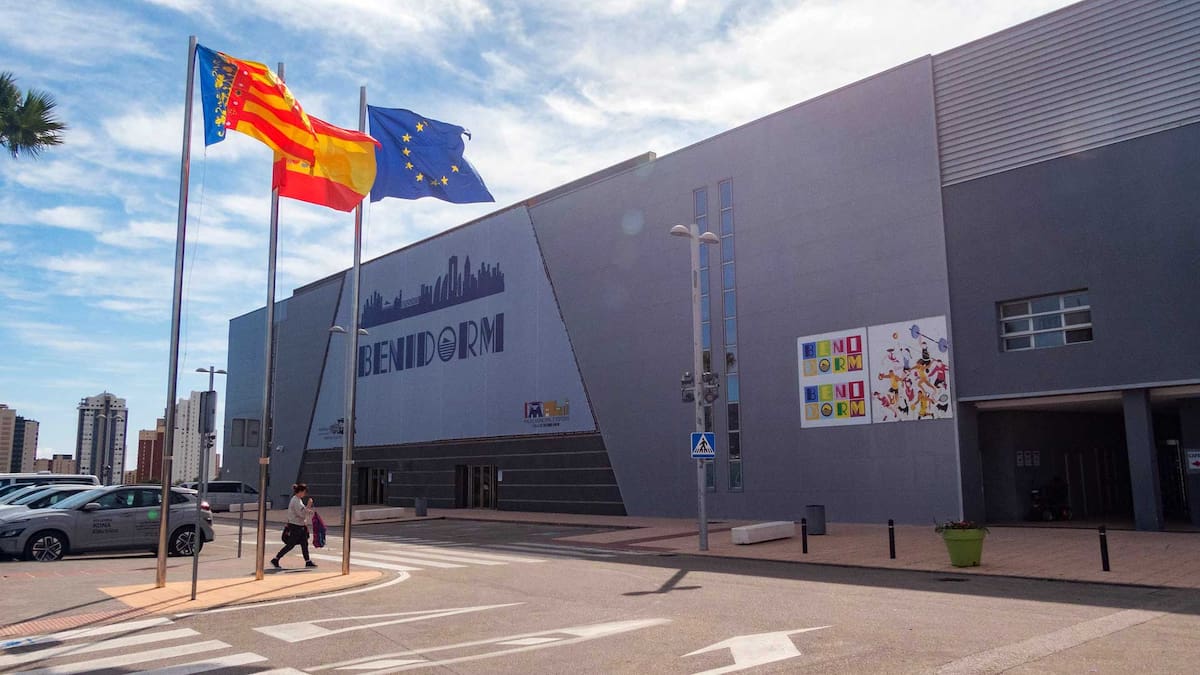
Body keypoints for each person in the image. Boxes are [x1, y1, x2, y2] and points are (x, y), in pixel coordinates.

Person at [271, 483, 316, 569]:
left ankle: (308, 561)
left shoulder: (298, 500)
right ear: (301, 491)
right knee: (291, 544)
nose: (305, 494)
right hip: (295, 526)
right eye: (304, 492)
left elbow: (302, 511)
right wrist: (308, 506)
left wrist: (307, 510)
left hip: (300, 525)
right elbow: (301, 514)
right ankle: (276, 558)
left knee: (304, 543)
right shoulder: (295, 501)